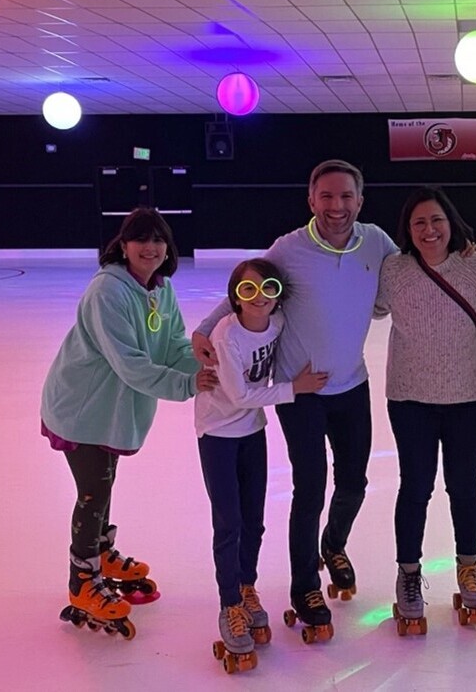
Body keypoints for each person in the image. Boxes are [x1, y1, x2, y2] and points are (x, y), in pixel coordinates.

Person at [192, 160, 398, 637]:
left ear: (360, 201)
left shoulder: (377, 242)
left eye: (346, 196)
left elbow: (406, 280)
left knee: (354, 482)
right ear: (311, 201)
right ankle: (304, 583)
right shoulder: (290, 248)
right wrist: (204, 329)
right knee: (310, 488)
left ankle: (334, 544)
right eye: (326, 196)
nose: (336, 206)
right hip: (300, 392)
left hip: (352, 385)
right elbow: (247, 285)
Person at [41, 207, 217, 640]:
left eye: (158, 240)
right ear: (123, 245)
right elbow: (131, 364)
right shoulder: (109, 292)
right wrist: (188, 385)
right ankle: (82, 578)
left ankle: (100, 551)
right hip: (83, 409)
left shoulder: (161, 289)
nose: (150, 248)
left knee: (104, 483)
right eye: (140, 239)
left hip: (112, 410)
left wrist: (203, 362)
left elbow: (173, 343)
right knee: (93, 491)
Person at [374, 186, 476, 634]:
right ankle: (409, 574)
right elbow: (364, 308)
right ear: (407, 231)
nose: (429, 230)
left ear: (451, 221)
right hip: (411, 399)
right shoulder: (394, 270)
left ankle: (468, 566)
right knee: (415, 488)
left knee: (464, 486)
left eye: (436, 220)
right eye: (419, 223)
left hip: (469, 397)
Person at [194, 258, 327, 669]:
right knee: (229, 521)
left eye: (267, 289)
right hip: (218, 434)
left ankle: (246, 585)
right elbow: (239, 397)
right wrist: (295, 388)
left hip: (252, 433)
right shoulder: (227, 336)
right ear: (235, 298)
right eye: (247, 292)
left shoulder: (277, 323)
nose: (259, 299)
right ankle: (229, 602)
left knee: (254, 519)